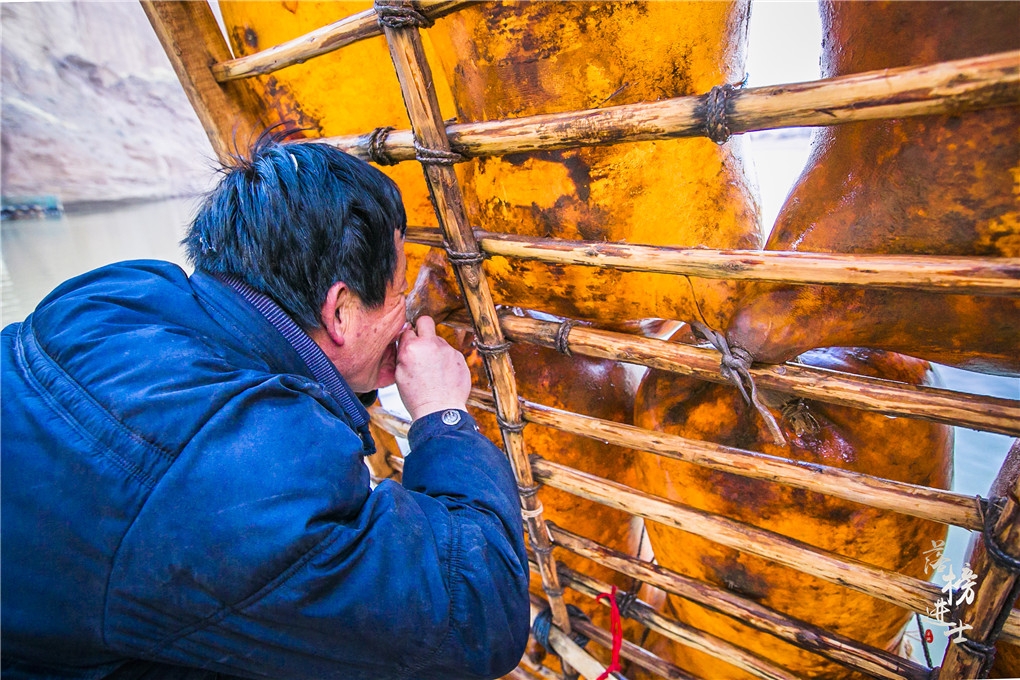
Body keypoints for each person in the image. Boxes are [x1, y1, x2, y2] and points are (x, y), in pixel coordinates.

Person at [1, 136, 530, 680]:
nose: (406, 310)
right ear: (341, 311)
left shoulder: (110, 296)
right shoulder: (255, 472)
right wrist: (443, 418)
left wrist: (357, 376)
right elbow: (477, 613)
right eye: (399, 293)